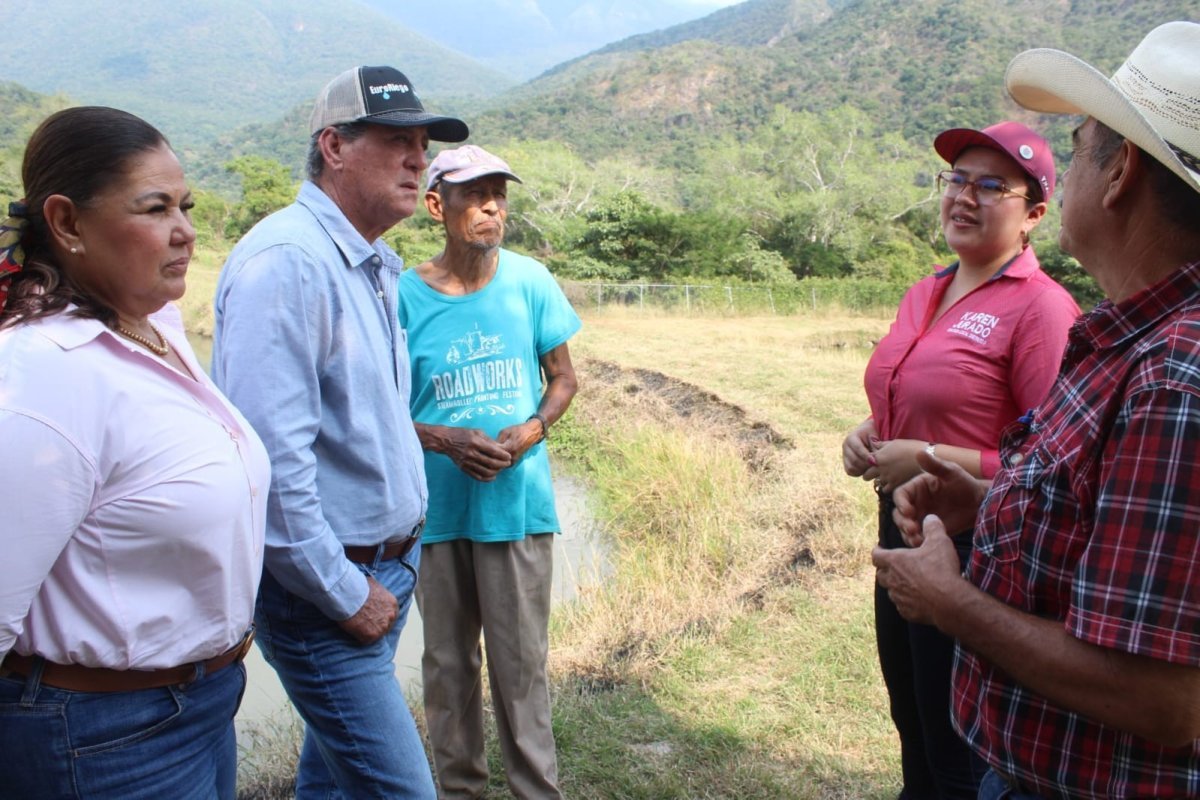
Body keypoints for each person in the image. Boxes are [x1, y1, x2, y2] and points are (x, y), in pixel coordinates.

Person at [874, 21, 1200, 800]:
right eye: (959, 179)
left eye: (1084, 141)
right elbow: (1104, 521)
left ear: (1118, 172)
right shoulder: (1129, 342)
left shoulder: (1174, 380)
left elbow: (1163, 698)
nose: (965, 195)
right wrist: (988, 501)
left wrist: (953, 604)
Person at [212, 66, 467, 798]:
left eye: (423, 145)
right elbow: (271, 466)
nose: (420, 160)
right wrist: (345, 591)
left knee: (329, 781)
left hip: (381, 572)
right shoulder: (288, 264)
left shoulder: (367, 261)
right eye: (397, 142)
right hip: (329, 592)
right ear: (333, 146)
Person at [0, 107, 269, 800]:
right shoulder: (42, 376)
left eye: (185, 205)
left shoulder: (150, 327)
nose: (185, 230)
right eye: (154, 208)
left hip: (200, 703)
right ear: (65, 223)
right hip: (102, 736)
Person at [843, 121, 1080, 798]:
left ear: (1034, 213)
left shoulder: (1041, 309)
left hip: (980, 552)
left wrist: (928, 453)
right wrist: (868, 431)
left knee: (961, 741)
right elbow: (907, 391)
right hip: (902, 535)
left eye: (990, 186)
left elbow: (1055, 466)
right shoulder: (926, 289)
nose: (964, 197)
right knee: (912, 718)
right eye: (956, 180)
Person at [399, 144, 580, 800]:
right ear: (435, 205)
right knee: (447, 671)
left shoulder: (530, 281)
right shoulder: (402, 297)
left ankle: (537, 792)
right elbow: (379, 411)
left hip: (517, 505)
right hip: (437, 513)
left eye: (499, 193)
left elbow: (563, 379)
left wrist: (534, 428)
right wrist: (442, 439)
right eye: (474, 195)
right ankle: (461, 792)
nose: (492, 207)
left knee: (522, 668)